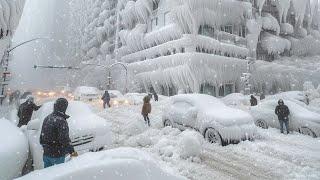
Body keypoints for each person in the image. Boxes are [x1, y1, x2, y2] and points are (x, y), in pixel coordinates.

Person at [40, 98, 78, 168]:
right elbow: (64, 139)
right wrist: (73, 153)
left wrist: (46, 148)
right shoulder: (61, 121)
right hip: (57, 155)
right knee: (58, 174)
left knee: (47, 174)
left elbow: (42, 137)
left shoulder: (47, 118)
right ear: (64, 108)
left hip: (46, 154)